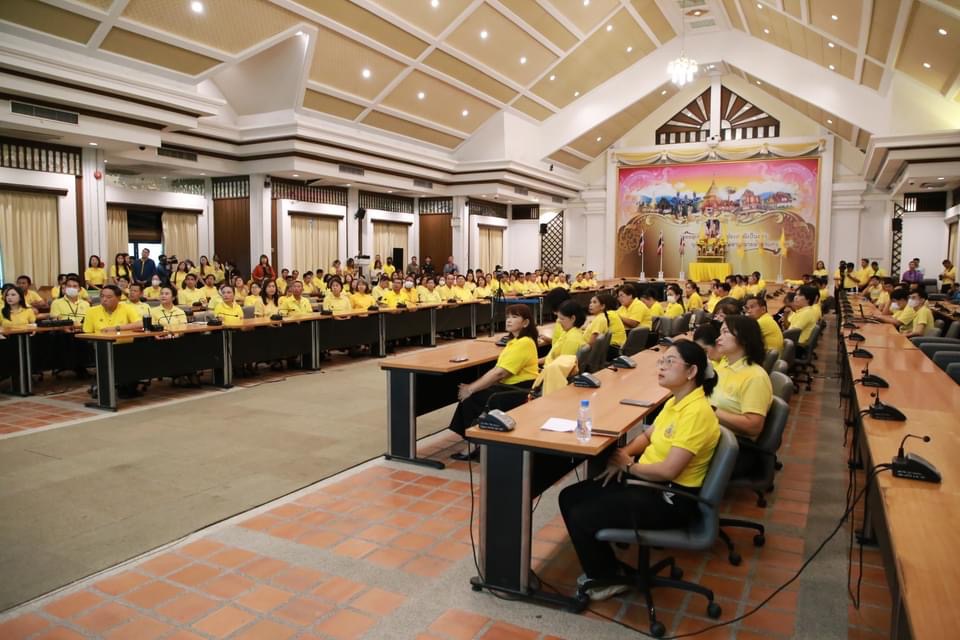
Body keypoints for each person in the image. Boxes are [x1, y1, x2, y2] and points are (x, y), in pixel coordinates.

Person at [558, 341, 721, 601]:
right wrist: (623, 454)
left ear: (691, 372)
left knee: (581, 514)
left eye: (670, 362)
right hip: (648, 481)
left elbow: (668, 471)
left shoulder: (697, 413)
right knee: (569, 496)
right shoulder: (677, 401)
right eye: (662, 361)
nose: (661, 367)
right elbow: (647, 436)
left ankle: (606, 579)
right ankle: (606, 567)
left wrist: (629, 465)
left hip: (669, 499)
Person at [448, 304, 540, 460]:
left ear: (525, 323)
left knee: (472, 398)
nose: (509, 320)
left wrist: (471, 389)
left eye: (514, 317)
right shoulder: (515, 341)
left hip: (519, 391)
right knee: (475, 392)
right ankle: (475, 440)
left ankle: (474, 444)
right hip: (510, 386)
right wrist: (473, 386)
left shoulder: (524, 342)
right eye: (507, 317)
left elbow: (499, 373)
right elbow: (497, 369)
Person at [712, 316, 773, 448]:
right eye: (720, 333)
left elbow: (753, 426)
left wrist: (712, 410)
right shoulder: (725, 365)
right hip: (710, 431)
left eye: (725, 332)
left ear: (744, 338)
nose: (718, 338)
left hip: (729, 444)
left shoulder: (755, 377)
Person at [540, 299, 586, 366]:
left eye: (562, 318)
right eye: (558, 318)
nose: (558, 321)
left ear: (573, 318)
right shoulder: (567, 332)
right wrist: (535, 362)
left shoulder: (572, 339)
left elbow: (562, 366)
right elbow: (551, 357)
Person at [586, 293, 626, 359]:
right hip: (618, 346)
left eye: (595, 302)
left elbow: (592, 340)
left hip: (613, 347)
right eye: (591, 302)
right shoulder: (611, 313)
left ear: (603, 305)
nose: (590, 305)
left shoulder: (607, 315)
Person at [785, 285, 819, 351]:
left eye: (799, 295)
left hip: (796, 347)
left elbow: (791, 333)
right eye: (796, 295)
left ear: (808, 299)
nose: (795, 297)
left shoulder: (806, 313)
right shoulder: (802, 310)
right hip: (794, 344)